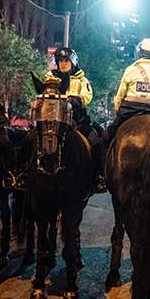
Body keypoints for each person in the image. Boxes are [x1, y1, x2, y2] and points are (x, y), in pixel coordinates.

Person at [42, 47, 106, 191]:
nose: (63, 63)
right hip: (53, 119)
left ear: (73, 62)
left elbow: (87, 96)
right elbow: (44, 92)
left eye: (66, 60)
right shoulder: (49, 77)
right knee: (30, 138)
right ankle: (23, 173)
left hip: (77, 120)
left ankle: (99, 176)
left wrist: (76, 99)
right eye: (60, 60)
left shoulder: (82, 80)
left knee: (97, 141)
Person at [107, 38, 150, 140]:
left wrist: (117, 109)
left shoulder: (132, 69)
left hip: (131, 110)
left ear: (141, 53)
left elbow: (120, 95)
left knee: (108, 137)